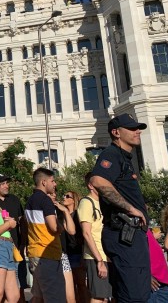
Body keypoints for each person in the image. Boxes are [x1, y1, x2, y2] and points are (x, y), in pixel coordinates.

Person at [90, 113, 151, 302]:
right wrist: (130, 208)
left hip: (131, 236)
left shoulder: (125, 158)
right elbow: (98, 181)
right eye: (132, 128)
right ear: (116, 132)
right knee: (134, 297)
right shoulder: (112, 154)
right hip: (124, 235)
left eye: (137, 128)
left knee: (134, 295)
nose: (137, 131)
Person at [25, 168, 65, 302]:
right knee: (54, 297)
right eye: (52, 181)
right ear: (43, 182)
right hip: (47, 254)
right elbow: (54, 227)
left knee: (39, 297)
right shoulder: (45, 200)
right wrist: (61, 226)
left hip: (35, 252)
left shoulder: (30, 200)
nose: (55, 184)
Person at [77, 172, 112, 303]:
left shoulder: (103, 203)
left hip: (106, 255)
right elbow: (86, 233)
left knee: (104, 297)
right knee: (98, 296)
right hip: (96, 256)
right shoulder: (86, 203)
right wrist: (99, 260)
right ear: (91, 185)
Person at [0, 173, 27, 303]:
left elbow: (22, 222)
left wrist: (24, 243)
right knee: (0, 288)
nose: (7, 186)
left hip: (17, 248)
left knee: (19, 285)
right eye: (3, 183)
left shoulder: (14, 199)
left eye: (7, 183)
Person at [61, 191, 85, 303]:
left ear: (73, 199)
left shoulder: (77, 215)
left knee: (81, 284)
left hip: (77, 252)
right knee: (70, 287)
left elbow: (81, 235)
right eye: (64, 196)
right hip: (66, 253)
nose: (64, 198)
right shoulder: (61, 215)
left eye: (67, 196)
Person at [147, 228, 168, 303]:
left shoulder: (144, 226)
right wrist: (146, 275)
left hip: (161, 277)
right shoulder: (133, 225)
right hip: (152, 278)